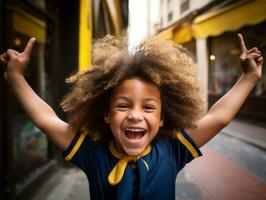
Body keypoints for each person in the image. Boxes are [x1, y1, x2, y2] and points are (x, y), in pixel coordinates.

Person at [0, 34, 263, 200]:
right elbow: (46, 119)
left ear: (162, 118)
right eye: (123, 106)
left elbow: (218, 117)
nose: (135, 115)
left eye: (148, 108)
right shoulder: (92, 152)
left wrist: (249, 77)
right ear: (106, 115)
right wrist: (16, 78)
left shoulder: (172, 149)